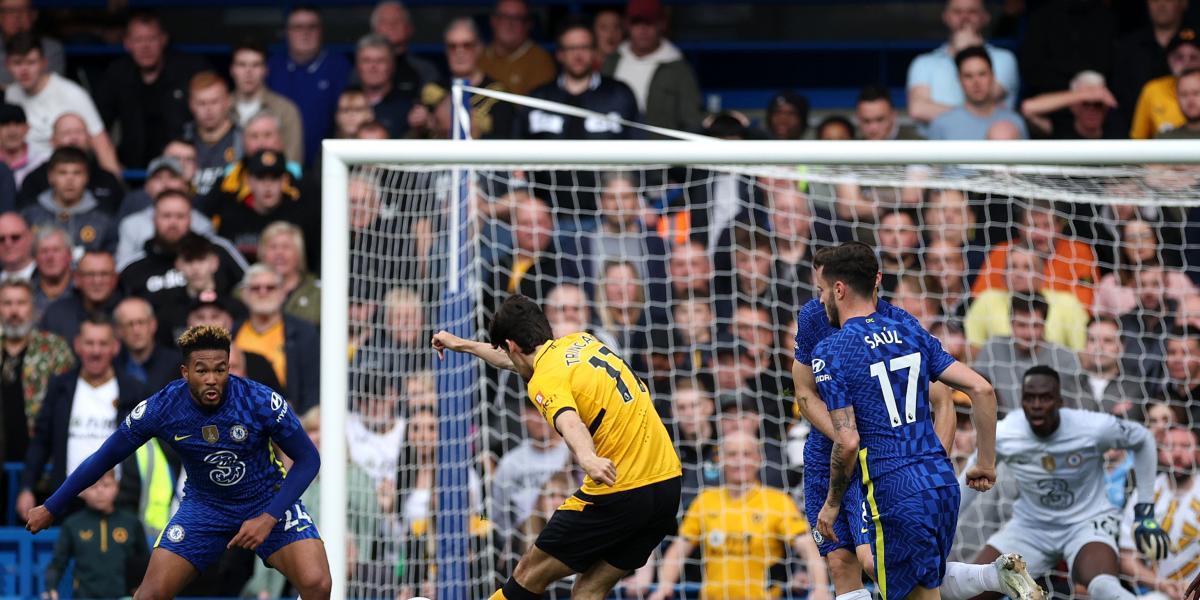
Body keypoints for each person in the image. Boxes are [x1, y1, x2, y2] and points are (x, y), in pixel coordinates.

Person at [794, 243, 1031, 600]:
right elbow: (981, 389)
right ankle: (992, 576)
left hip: (886, 479)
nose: (820, 298)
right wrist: (982, 462)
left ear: (839, 289)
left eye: (822, 290)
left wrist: (836, 493)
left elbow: (851, 440)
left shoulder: (841, 346)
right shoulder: (906, 332)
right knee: (885, 572)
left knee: (880, 566)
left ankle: (991, 578)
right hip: (926, 479)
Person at [24, 324, 331, 599]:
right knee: (150, 596)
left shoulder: (260, 401)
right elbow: (104, 458)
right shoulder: (162, 408)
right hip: (205, 508)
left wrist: (269, 516)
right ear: (185, 372)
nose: (212, 379)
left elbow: (308, 460)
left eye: (221, 370)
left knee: (317, 584)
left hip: (265, 500)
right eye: (202, 370)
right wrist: (52, 506)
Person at [432, 294, 682, 600]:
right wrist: (463, 344)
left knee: (528, 574)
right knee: (588, 589)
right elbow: (513, 361)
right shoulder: (581, 342)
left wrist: (588, 458)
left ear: (511, 345)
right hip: (667, 486)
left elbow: (569, 422)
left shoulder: (545, 380)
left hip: (620, 488)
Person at [957, 365, 1167, 600]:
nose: (1036, 405)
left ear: (1059, 401)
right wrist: (941, 522)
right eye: (1030, 398)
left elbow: (1143, 439)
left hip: (1086, 523)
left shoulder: (1092, 427)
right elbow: (968, 479)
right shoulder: (1006, 433)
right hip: (1030, 527)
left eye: (1045, 398)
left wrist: (1145, 511)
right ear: (1021, 400)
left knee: (1103, 587)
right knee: (972, 591)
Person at [649, 430, 828, 600]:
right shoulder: (705, 500)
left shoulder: (777, 502)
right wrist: (664, 586)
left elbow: (807, 546)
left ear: (759, 459)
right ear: (720, 459)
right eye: (732, 454)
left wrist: (821, 588)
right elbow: (679, 549)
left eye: (746, 454)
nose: (739, 461)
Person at [16, 313, 144, 521]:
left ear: (115, 347)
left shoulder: (133, 390)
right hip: (68, 502)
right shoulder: (60, 387)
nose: (95, 351)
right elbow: (41, 441)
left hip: (119, 501)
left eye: (102, 343)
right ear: (77, 345)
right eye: (89, 343)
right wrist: (27, 487)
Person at [95, 11, 207, 169]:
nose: (145, 47)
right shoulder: (117, 74)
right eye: (138, 40)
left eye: (152, 39)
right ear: (127, 43)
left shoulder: (190, 70)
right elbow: (97, 124)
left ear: (163, 40)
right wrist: (111, 162)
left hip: (183, 167)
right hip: (132, 169)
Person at [3, 32, 119, 176]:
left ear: (44, 63)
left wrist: (115, 189)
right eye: (17, 63)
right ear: (7, 65)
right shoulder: (11, 94)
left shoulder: (72, 93)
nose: (24, 70)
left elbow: (102, 146)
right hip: (21, 178)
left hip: (63, 177)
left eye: (31, 62)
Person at [906, 0, 1019, 127]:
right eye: (957, 12)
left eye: (972, 11)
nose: (964, 17)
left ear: (985, 17)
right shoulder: (923, 63)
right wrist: (977, 114)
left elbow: (984, 99)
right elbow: (918, 110)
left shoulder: (1004, 59)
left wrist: (966, 51)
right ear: (946, 17)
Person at [521, 19, 639, 140]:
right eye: (571, 48)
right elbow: (517, 149)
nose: (578, 55)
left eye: (584, 47)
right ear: (560, 54)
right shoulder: (538, 98)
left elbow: (639, 147)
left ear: (594, 52)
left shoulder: (620, 94)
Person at [0, 278, 73, 467]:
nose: (14, 311)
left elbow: (66, 404)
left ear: (33, 308)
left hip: (41, 465)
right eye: (7, 303)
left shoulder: (54, 348)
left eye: (21, 303)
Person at [1119, 426, 1200, 595]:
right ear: (1160, 453)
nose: (1177, 454)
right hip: (1158, 593)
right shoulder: (1144, 494)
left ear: (1197, 453)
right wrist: (1163, 586)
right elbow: (1127, 558)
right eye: (1170, 447)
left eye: (1185, 446)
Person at [44, 469, 149, 598]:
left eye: (106, 485)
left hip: (123, 596)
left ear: (116, 486)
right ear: (82, 491)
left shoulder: (131, 522)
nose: (100, 491)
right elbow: (58, 562)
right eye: (93, 486)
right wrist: (51, 587)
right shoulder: (72, 524)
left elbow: (144, 561)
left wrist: (140, 588)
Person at [601, 0, 701, 135]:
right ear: (626, 25)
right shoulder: (612, 61)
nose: (643, 30)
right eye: (637, 23)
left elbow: (692, 123)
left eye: (649, 23)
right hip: (615, 150)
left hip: (662, 153)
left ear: (662, 24)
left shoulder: (678, 69)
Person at [964, 246, 1090, 352]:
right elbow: (973, 350)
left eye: (1027, 268)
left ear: (1041, 274)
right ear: (1003, 274)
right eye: (1012, 267)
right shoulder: (987, 300)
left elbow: (1080, 352)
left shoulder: (1067, 303)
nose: (1018, 274)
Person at [267, 6, 350, 166]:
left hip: (327, 163)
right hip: (279, 166)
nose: (305, 33)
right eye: (298, 27)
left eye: (312, 27)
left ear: (321, 31)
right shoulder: (272, 67)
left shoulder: (339, 66)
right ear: (287, 31)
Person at [234, 264, 319, 414]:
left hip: (290, 417)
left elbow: (312, 387)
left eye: (270, 287)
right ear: (244, 294)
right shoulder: (231, 332)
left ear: (282, 293)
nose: (263, 293)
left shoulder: (304, 332)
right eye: (255, 288)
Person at [16, 112, 126, 216]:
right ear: (52, 141)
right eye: (66, 133)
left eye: (79, 132)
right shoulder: (34, 180)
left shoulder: (107, 179)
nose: (73, 138)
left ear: (89, 140)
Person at [1110, 0, 1191, 137]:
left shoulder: (1192, 42)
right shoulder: (1128, 48)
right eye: (1155, 0)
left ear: (1183, 3)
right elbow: (1118, 101)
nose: (1161, 4)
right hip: (1136, 140)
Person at [20, 146, 117, 253]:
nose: (70, 180)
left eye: (77, 173)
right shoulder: (30, 216)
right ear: (51, 177)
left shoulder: (104, 218)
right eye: (62, 173)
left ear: (87, 177)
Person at [229, 41, 304, 164]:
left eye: (256, 65)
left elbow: (293, 163)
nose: (248, 71)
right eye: (242, 65)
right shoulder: (220, 107)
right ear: (232, 69)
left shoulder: (285, 110)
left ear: (265, 70)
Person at [928, 46, 1027, 140]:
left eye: (982, 74)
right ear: (959, 80)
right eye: (968, 76)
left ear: (992, 76)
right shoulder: (942, 124)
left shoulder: (1015, 121)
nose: (976, 82)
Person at [1130, 27, 1200, 138]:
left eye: (1193, 57)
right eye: (1179, 57)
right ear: (1169, 60)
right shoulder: (1152, 90)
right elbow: (1138, 141)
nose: (1186, 63)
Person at [39, 250, 120, 343]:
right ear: (77, 279)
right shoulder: (56, 315)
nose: (97, 281)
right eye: (90, 274)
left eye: (104, 274)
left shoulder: (130, 314)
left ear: (115, 279)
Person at [481, 0, 556, 95]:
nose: (510, 24)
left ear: (528, 24)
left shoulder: (540, 60)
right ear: (493, 20)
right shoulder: (477, 56)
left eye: (517, 18)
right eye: (504, 17)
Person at [369, 1, 438, 100]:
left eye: (398, 20)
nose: (391, 25)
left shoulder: (425, 70)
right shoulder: (364, 69)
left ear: (409, 28)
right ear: (374, 30)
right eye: (384, 21)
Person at [184, 71, 240, 196]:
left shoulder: (244, 140)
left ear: (228, 101)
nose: (208, 110)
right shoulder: (181, 138)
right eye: (202, 103)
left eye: (214, 102)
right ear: (191, 104)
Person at [1020, 70, 1118, 139]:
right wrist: (1083, 95)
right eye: (1085, 103)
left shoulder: (1115, 126)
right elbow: (1028, 108)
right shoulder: (1061, 127)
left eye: (1098, 104)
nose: (1091, 109)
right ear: (1073, 107)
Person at [113, 296, 182, 391]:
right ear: (118, 330)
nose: (136, 331)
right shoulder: (112, 367)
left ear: (153, 325)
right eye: (129, 324)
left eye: (141, 322)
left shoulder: (177, 364)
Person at [354, 34, 411, 138]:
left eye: (380, 61)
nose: (373, 67)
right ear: (357, 65)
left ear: (392, 65)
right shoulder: (344, 102)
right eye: (366, 60)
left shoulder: (407, 107)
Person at [0, 0, 63, 87]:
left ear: (34, 14)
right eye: (10, 11)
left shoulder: (51, 49)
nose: (17, 16)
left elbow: (47, 88)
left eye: (23, 10)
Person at [856, 84, 923, 140]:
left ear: (893, 115)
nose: (873, 128)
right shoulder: (853, 146)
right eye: (866, 121)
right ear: (858, 118)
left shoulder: (917, 145)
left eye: (880, 120)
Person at [0, 102, 42, 187]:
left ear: (27, 128)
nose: (12, 132)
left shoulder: (42, 160)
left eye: (17, 124)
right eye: (5, 124)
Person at [1157, 67, 1200, 138]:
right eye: (1184, 94)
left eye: (1196, 93)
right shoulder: (1164, 140)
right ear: (1177, 98)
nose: (1190, 100)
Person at [0, 210, 31, 279]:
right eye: (1, 239)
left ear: (30, 238)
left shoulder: (50, 275)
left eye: (15, 237)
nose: (8, 243)